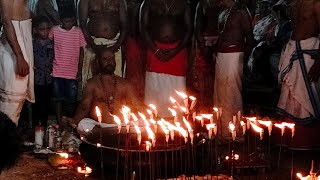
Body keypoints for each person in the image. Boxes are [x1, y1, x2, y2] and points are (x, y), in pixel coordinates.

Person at [66, 48, 143, 130]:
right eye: (105, 59)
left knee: (142, 123)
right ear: (98, 62)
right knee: (83, 124)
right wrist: (75, 120)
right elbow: (84, 106)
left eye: (111, 58)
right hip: (99, 126)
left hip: (123, 125)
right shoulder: (92, 84)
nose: (109, 61)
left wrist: (152, 115)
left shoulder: (126, 84)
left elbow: (137, 105)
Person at [141, 0, 193, 117]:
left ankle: (176, 125)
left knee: (177, 88)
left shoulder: (184, 4)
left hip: (177, 50)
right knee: (154, 87)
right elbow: (143, 29)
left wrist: (175, 51)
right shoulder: (149, 3)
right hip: (154, 50)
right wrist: (155, 50)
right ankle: (154, 124)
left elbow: (189, 30)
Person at [214, 0, 254, 139]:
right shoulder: (223, 11)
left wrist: (242, 60)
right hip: (221, 55)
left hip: (234, 55)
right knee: (220, 95)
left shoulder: (241, 11)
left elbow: (250, 38)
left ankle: (234, 133)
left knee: (232, 93)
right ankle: (221, 132)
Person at [277, 0, 320, 122]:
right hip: (293, 49)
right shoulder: (295, 4)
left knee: (306, 93)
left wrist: (318, 63)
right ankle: (291, 127)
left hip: (307, 51)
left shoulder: (316, 4)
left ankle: (307, 131)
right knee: (289, 91)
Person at [78, 0, 128, 99]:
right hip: (93, 44)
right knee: (93, 79)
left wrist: (116, 45)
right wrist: (94, 46)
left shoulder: (120, 1)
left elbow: (124, 26)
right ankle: (91, 109)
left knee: (113, 80)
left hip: (114, 45)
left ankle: (114, 109)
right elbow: (82, 24)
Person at [49, 10, 86, 126]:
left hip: (72, 72)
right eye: (65, 21)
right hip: (57, 71)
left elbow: (81, 51)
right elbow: (50, 44)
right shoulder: (54, 30)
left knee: (71, 99)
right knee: (57, 98)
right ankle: (59, 122)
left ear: (74, 21)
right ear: (61, 21)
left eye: (70, 21)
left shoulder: (78, 31)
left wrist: (79, 70)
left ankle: (69, 121)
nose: (68, 24)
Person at [0, 0, 35, 125]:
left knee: (18, 100)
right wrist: (19, 56)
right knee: (11, 100)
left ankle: (10, 137)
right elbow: (6, 21)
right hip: (14, 45)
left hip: (23, 37)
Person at [193, 0, 221, 111]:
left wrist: (216, 46)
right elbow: (197, 26)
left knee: (215, 76)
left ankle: (214, 106)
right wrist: (203, 47)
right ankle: (202, 106)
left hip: (220, 42)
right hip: (203, 40)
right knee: (202, 75)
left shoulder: (223, 3)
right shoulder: (202, 4)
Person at [32, 16, 54, 128]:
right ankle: (35, 126)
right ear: (35, 30)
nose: (45, 32)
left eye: (47, 29)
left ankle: (44, 126)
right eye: (42, 29)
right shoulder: (32, 44)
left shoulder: (52, 43)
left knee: (46, 103)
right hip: (36, 79)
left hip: (48, 79)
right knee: (36, 104)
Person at [125, 0, 145, 102]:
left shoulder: (142, 4)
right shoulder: (129, 4)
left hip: (141, 41)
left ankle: (137, 98)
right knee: (133, 70)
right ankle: (132, 98)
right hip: (132, 40)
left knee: (139, 71)